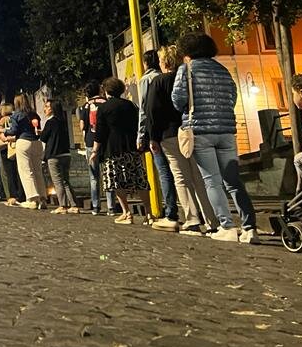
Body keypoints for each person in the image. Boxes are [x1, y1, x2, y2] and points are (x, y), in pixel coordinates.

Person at [171, 31, 258, 244]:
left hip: (200, 131)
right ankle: (249, 228)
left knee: (212, 181)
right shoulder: (222, 70)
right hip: (226, 130)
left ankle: (226, 226)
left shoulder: (187, 69)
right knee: (234, 181)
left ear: (187, 51)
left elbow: (178, 98)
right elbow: (232, 96)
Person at [145, 44, 217, 234]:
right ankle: (211, 221)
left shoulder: (159, 82)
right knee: (199, 177)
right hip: (193, 131)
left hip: (169, 135)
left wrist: (152, 137)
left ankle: (192, 219)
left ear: (164, 62)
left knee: (181, 177)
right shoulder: (188, 79)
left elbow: (152, 111)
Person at [91, 77, 149, 225]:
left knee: (116, 181)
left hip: (113, 148)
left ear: (106, 90)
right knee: (139, 178)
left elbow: (100, 132)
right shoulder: (130, 105)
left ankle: (126, 212)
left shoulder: (104, 108)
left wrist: (95, 151)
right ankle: (149, 213)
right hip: (131, 146)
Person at [139, 49, 177, 227]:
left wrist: (145, 135)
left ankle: (170, 212)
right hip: (181, 130)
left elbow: (147, 109)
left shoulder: (150, 80)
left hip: (161, 133)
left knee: (164, 172)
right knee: (184, 174)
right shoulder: (178, 77)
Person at [78, 82, 114, 215]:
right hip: (106, 141)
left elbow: (82, 126)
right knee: (108, 173)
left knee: (94, 176)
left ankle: (96, 206)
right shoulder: (106, 102)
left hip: (90, 142)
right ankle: (111, 206)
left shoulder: (86, 106)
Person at [8, 94, 47, 209]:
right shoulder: (34, 115)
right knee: (37, 171)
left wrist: (4, 132)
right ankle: (43, 198)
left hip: (23, 142)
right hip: (36, 143)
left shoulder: (17, 115)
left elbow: (13, 131)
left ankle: (32, 199)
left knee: (26, 171)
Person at [40, 99, 78, 213]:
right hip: (66, 154)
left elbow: (43, 137)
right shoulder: (63, 122)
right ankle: (74, 205)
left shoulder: (50, 122)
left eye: (47, 107)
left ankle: (62, 205)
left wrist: (40, 132)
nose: (45, 109)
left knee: (57, 181)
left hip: (54, 154)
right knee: (66, 181)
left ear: (52, 109)